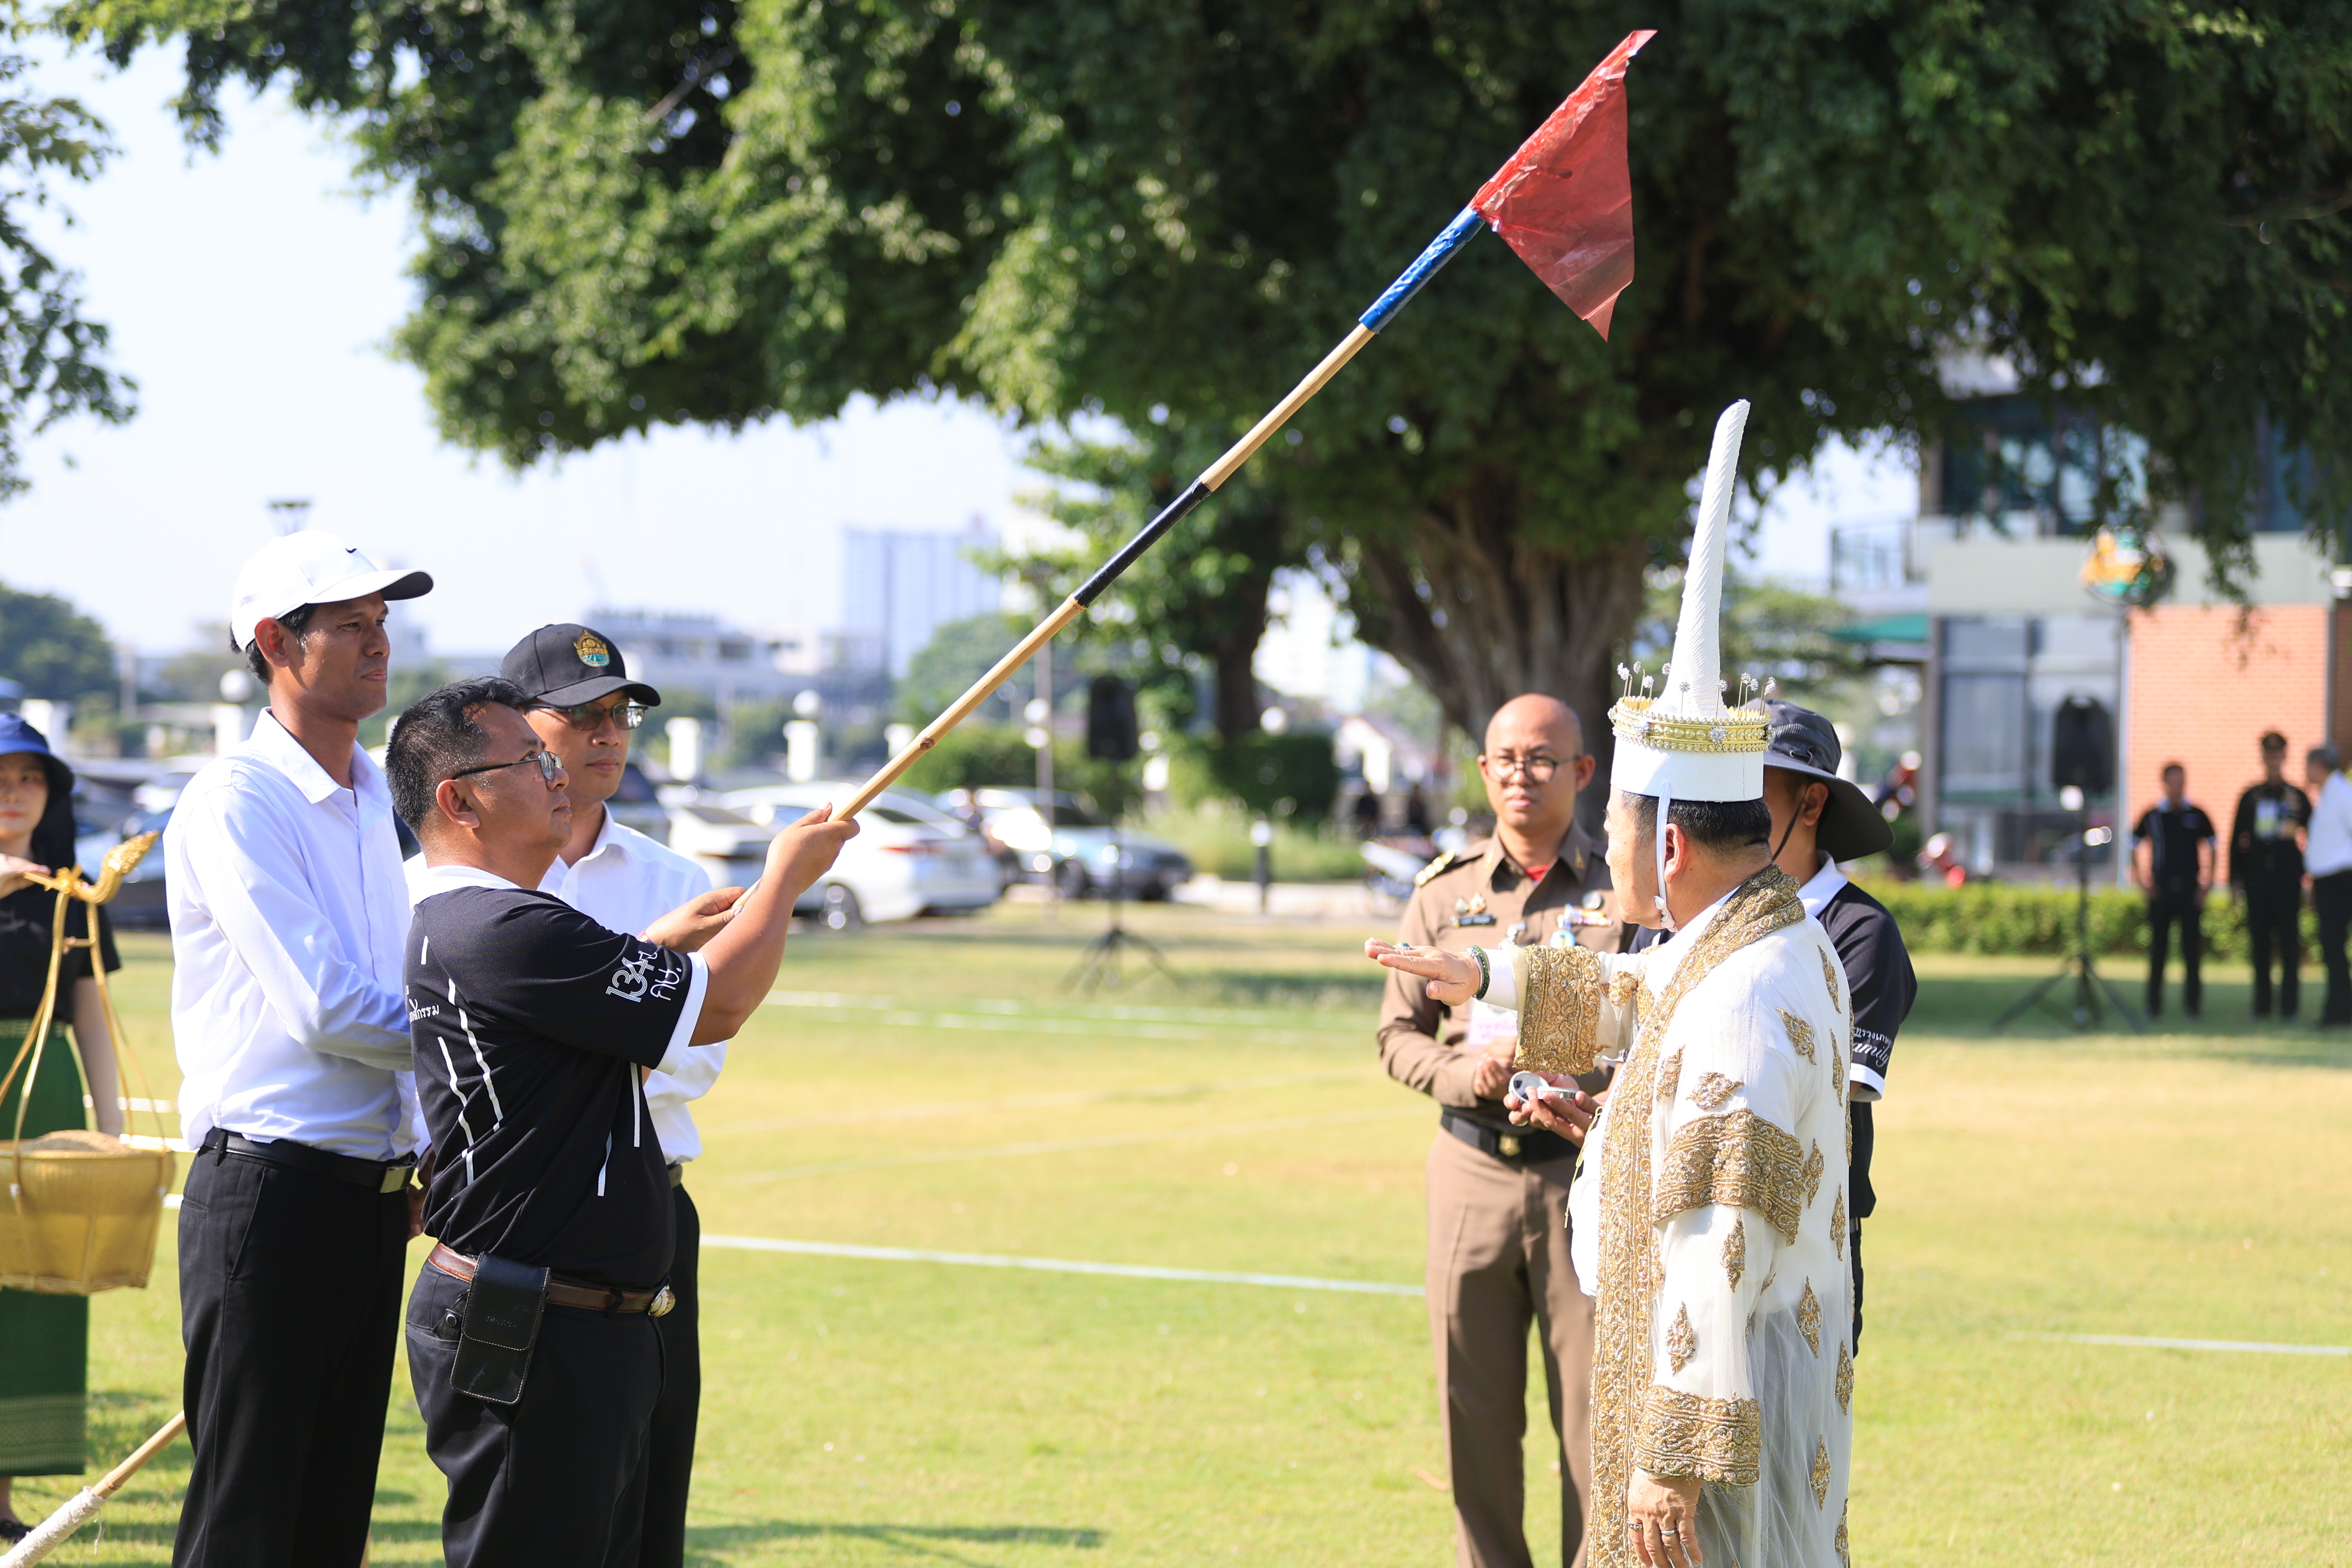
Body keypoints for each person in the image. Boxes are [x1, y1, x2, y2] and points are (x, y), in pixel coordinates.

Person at [1371, 403, 1853, 1568]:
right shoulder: (1772, 938)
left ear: (1669, 845)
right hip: (1762, 1374)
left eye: (1624, 825)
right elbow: (1640, 992)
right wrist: (1484, 969)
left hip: (1709, 1410)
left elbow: (1714, 1240)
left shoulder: (1739, 991)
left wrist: (1663, 1460)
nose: (1612, 848)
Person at [388, 677, 854, 1568]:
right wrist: (784, 879)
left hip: (575, 1318)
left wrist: (662, 947)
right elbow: (717, 1010)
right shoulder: (501, 925)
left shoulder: (509, 923)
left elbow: (593, 1028)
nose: (555, 771)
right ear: (459, 800)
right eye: (527, 759)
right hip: (533, 1322)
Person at [164, 531, 433, 1568]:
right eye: (353, 626)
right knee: (247, 1527)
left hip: (365, 1202)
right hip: (269, 1199)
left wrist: (413, 1141)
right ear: (277, 641)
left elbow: (386, 979)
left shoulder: (372, 793)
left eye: (383, 625)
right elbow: (330, 1010)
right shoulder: (240, 799)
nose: (379, 647)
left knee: (328, 1528)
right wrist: (484, 1038)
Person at [505, 623, 739, 1568]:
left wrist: (562, 1055)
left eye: (620, 715)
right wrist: (624, 1022)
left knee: (647, 1478)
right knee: (526, 1488)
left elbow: (700, 1054)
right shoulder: (458, 876)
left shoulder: (673, 879)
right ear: (517, 731)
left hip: (647, 1201)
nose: (606, 734)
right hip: (518, 1210)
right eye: (578, 716)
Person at [1375, 694, 1619, 1568]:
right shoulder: (1445, 891)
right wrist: (1466, 1073)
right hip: (1470, 1171)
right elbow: (1397, 1037)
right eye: (1507, 758)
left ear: (1584, 772)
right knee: (1471, 1417)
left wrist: (1570, 1065)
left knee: (1598, 1417)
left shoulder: (1619, 890)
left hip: (1581, 1172)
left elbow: (1655, 1020)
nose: (1524, 773)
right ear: (1483, 770)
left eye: (1545, 758)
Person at [1626, 701, 1915, 1353]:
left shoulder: (1857, 932)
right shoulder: (1674, 922)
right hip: (1665, 1225)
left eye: (1749, 788)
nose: (1726, 806)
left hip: (1798, 1244)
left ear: (1811, 805)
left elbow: (1811, 1094)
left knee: (1782, 1444)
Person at [0, 717, 123, 1545]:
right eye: (1, 777)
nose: (15, 794)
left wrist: (111, 1135)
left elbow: (93, 1021)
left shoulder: (74, 890)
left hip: (44, 1102)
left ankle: (3, 1492)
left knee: (29, 1294)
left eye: (31, 779)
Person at [2229, 731, 2310, 1020]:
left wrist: (2309, 879)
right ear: (2262, 757)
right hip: (2258, 880)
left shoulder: (2296, 796)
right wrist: (2234, 880)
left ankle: (2290, 1007)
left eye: (2278, 755)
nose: (2273, 760)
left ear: (2285, 757)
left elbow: (2311, 835)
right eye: (2269, 755)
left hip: (2288, 880)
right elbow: (2238, 839)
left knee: (2289, 942)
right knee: (2260, 942)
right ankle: (2262, 1004)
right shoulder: (2251, 796)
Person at [2132, 763, 2216, 1020]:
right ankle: (2153, 1005)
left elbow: (2213, 846)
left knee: (2192, 950)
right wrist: (2143, 882)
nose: (2178, 787)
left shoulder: (2197, 814)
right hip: (2162, 890)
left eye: (2182, 782)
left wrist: (2208, 883)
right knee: (2159, 950)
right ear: (2164, 784)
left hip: (2190, 890)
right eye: (2174, 782)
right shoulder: (2154, 815)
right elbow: (2133, 845)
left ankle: (2193, 1006)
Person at [2304, 746, 2352, 1028]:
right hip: (2327, 881)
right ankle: (2340, 1007)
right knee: (2332, 946)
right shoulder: (2329, 794)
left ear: (2319, 765)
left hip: (2340, 880)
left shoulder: (2342, 793)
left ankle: (2338, 1011)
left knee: (2334, 945)